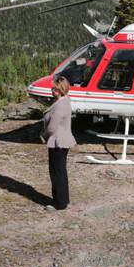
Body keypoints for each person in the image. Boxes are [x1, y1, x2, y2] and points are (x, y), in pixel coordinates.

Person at [41, 76, 76, 210]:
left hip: (58, 142)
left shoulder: (60, 104)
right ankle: (63, 200)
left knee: (56, 172)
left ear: (60, 89)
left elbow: (52, 127)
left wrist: (43, 136)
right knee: (60, 171)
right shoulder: (65, 101)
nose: (52, 91)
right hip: (61, 141)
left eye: (54, 89)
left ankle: (59, 203)